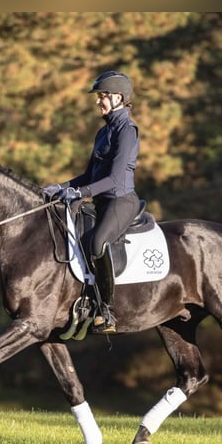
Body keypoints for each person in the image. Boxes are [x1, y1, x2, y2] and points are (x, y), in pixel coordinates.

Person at [43, 70, 141, 333]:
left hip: (121, 201)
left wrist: (80, 192)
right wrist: (59, 187)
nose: (99, 101)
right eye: (99, 97)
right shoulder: (103, 132)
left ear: (118, 97)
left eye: (103, 97)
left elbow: (113, 178)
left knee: (97, 243)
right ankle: (82, 304)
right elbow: (88, 175)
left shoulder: (127, 131)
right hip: (100, 202)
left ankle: (106, 312)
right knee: (78, 240)